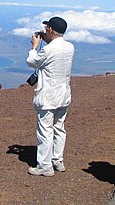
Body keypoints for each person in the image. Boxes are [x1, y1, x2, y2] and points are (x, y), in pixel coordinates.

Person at [27, 17, 75, 177]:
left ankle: (44, 166)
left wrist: (34, 46)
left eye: (47, 28)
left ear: (51, 30)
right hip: (63, 95)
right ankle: (57, 160)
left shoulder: (48, 50)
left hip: (48, 96)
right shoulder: (69, 47)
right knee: (59, 128)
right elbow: (55, 52)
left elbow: (32, 62)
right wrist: (48, 40)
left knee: (45, 130)